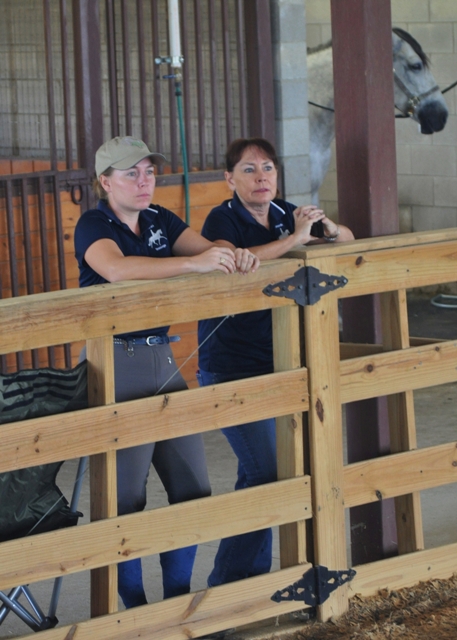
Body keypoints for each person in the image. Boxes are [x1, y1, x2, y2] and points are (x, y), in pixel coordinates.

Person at [74, 135, 258, 609]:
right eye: (130, 173)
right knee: (125, 499)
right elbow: (116, 270)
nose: (144, 181)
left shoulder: (159, 219)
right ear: (105, 182)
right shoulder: (93, 224)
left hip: (164, 357)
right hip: (117, 362)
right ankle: (136, 608)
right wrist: (194, 264)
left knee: (194, 488)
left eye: (149, 172)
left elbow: (208, 247)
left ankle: (177, 600)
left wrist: (230, 252)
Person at [197, 137, 354, 587]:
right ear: (230, 179)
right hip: (231, 366)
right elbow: (231, 261)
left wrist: (326, 229)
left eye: (268, 168)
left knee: (263, 471)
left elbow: (347, 240)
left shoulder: (287, 212)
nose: (261, 177)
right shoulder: (223, 218)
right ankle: (228, 582)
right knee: (268, 471)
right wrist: (295, 240)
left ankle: (251, 581)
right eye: (249, 169)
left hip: (284, 361)